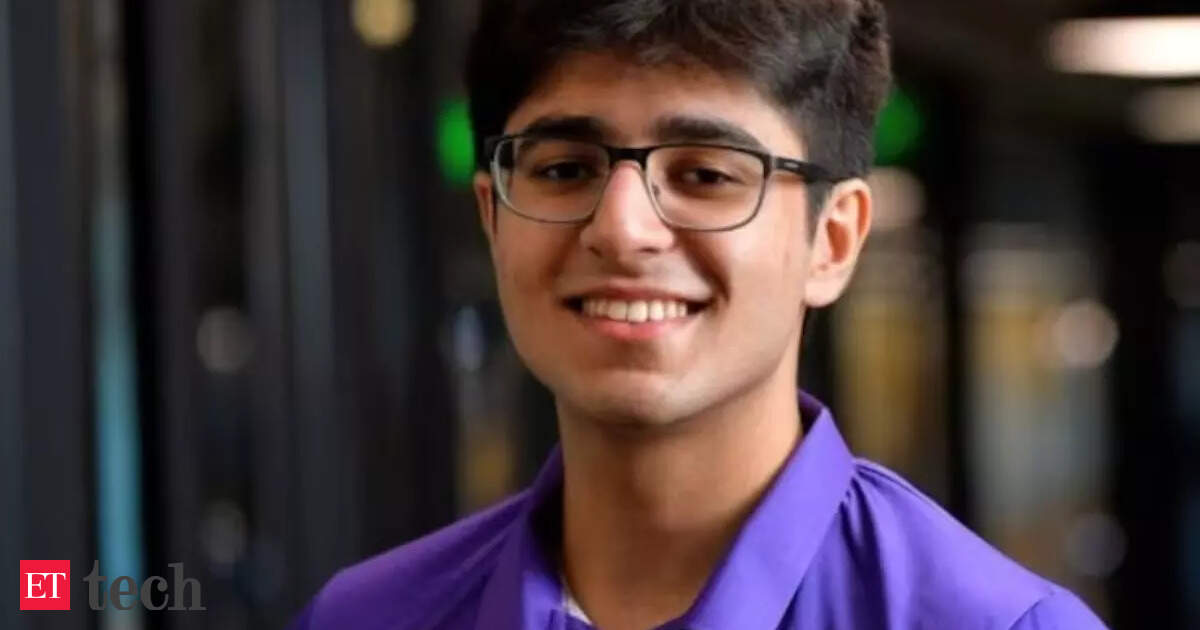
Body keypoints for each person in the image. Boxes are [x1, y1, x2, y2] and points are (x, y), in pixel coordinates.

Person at [290, 1, 1108, 628]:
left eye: (706, 175)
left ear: (833, 239)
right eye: (566, 169)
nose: (622, 229)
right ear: (492, 217)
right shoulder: (370, 618)